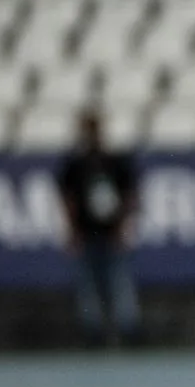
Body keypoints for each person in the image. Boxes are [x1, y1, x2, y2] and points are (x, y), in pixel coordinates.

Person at [57, 108, 141, 347]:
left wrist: (123, 225)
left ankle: (127, 331)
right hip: (87, 232)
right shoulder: (76, 164)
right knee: (90, 285)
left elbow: (129, 195)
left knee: (117, 282)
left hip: (110, 231)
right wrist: (72, 231)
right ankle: (93, 333)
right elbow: (68, 200)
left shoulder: (113, 161)